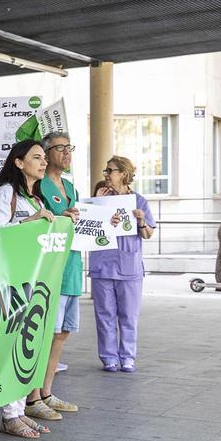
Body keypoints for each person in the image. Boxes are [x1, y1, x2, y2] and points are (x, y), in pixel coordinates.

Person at [0, 139, 68, 438]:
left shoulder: (36, 198)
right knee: (13, 348)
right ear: (19, 162)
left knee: (27, 348)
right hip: (11, 284)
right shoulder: (7, 194)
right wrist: (31, 222)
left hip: (32, 284)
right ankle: (9, 414)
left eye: (45, 157)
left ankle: (18, 410)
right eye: (36, 157)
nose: (44, 162)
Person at [30, 132, 81, 420]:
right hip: (51, 266)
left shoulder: (71, 186)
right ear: (47, 153)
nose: (67, 153)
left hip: (72, 264)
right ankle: (32, 395)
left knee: (62, 333)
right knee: (45, 331)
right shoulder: (41, 186)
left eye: (69, 148)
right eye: (60, 148)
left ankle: (47, 391)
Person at [91, 157, 155, 372]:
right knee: (104, 315)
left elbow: (148, 234)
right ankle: (109, 357)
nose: (106, 174)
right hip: (102, 264)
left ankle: (128, 356)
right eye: (106, 170)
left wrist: (141, 221)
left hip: (129, 266)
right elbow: (87, 227)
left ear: (124, 174)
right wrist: (96, 205)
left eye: (111, 171)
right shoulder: (100, 198)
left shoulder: (139, 201)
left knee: (129, 315)